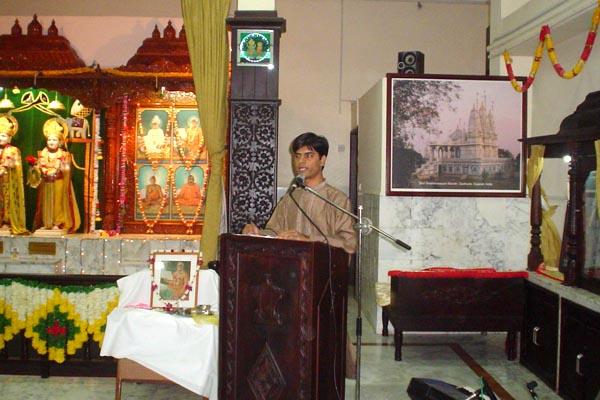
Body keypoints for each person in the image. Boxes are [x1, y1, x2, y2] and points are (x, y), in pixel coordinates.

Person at [243, 132, 357, 254]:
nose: (301, 161)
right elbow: (275, 232)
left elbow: (350, 243)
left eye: (308, 156)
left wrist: (308, 240)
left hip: (324, 269)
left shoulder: (337, 200)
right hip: (292, 267)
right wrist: (257, 233)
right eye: (297, 156)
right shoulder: (290, 197)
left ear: (322, 160)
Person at [30, 118, 81, 233]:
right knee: (45, 203)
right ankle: (46, 223)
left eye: (54, 140)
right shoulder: (42, 153)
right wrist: (37, 169)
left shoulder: (64, 154)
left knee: (57, 203)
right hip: (45, 182)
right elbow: (38, 168)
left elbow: (66, 170)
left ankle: (57, 223)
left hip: (59, 182)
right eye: (49, 140)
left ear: (60, 142)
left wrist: (58, 172)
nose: (51, 142)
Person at [0, 114, 27, 235]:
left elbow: (14, 166)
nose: (0, 138)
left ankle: (7, 222)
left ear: (9, 137)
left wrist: (5, 166)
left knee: (7, 201)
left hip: (7, 182)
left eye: (3, 135)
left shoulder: (13, 150)